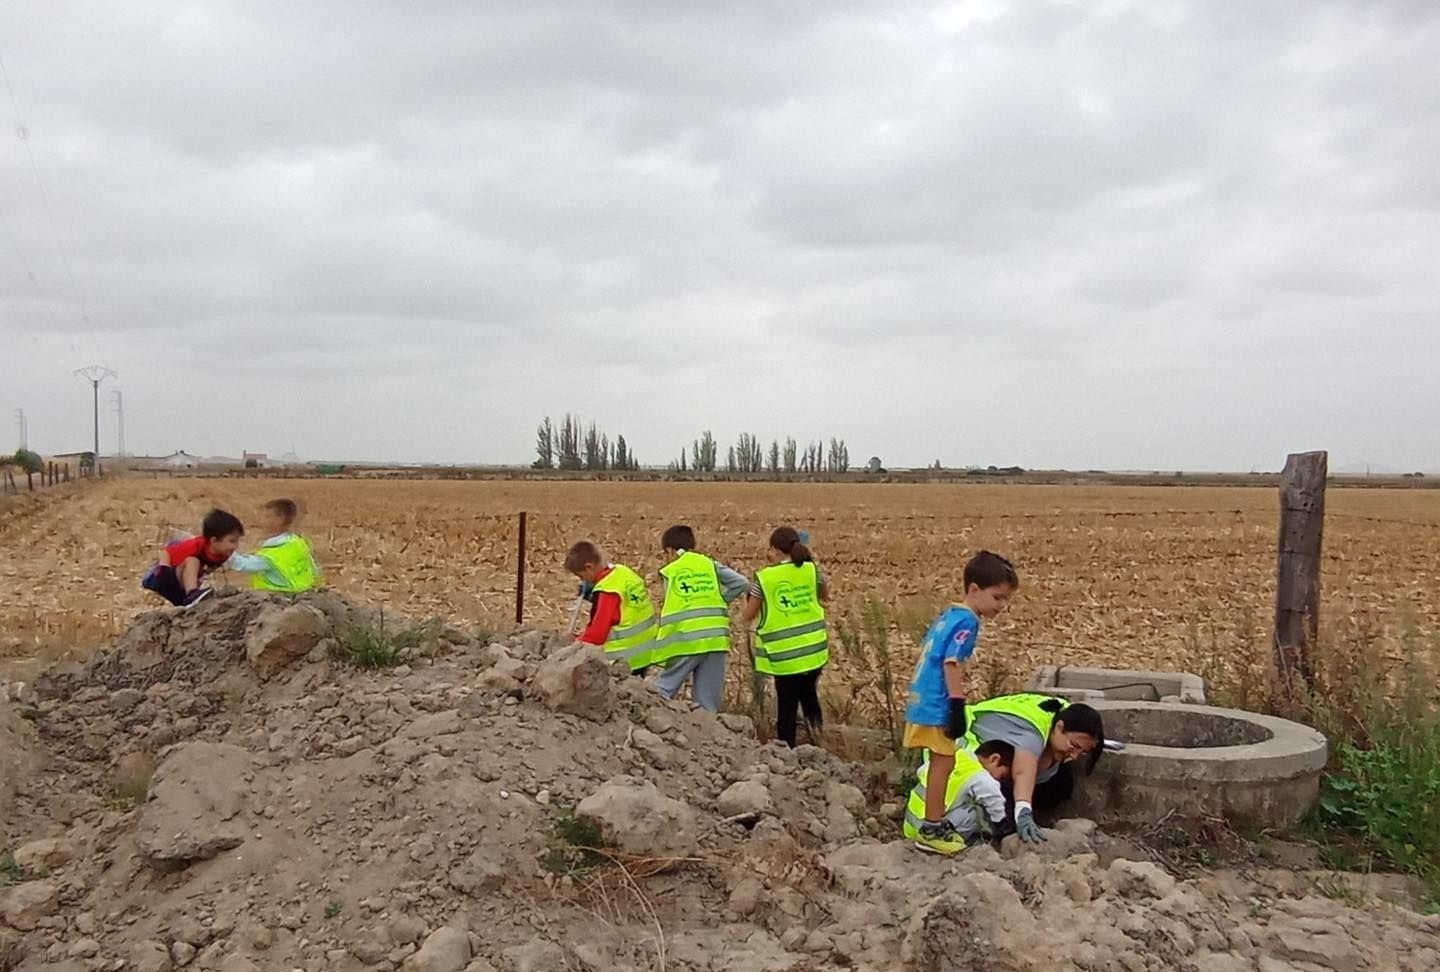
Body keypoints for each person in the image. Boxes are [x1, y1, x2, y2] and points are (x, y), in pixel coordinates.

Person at [902, 550, 1019, 853]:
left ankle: (932, 821)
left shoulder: (950, 614)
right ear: (974, 590)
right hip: (937, 702)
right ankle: (932, 827)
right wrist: (956, 705)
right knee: (944, 761)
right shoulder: (968, 622)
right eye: (997, 597)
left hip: (922, 697)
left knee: (942, 760)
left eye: (1006, 599)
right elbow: (951, 663)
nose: (1001, 606)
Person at [963, 692, 1105, 842]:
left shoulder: (1066, 713)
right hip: (970, 748)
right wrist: (1023, 811)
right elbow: (1023, 772)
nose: (1075, 756)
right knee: (1005, 822)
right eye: (1074, 746)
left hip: (1004, 745)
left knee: (1062, 783)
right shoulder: (1032, 732)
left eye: (1082, 751)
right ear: (1059, 727)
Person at [742, 526, 829, 747]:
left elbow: (748, 615)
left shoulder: (765, 578)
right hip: (814, 650)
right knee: (809, 696)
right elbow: (824, 596)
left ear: (774, 549)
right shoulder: (812, 569)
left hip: (785, 656)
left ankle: (786, 752)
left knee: (787, 706)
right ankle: (818, 739)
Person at [651, 525, 749, 712]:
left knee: (663, 689)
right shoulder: (709, 564)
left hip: (685, 638)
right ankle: (707, 739)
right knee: (707, 704)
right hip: (716, 638)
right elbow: (741, 583)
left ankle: (647, 722)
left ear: (670, 550)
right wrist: (720, 601)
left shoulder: (671, 570)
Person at [902, 739, 1014, 854]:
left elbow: (921, 771)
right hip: (931, 831)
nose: (999, 780)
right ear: (994, 759)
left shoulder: (957, 757)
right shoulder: (978, 775)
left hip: (911, 826)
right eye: (1002, 775)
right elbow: (994, 800)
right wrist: (1003, 827)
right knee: (975, 810)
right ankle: (951, 838)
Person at [565, 540, 657, 672]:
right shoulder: (623, 573)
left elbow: (597, 635)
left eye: (581, 576)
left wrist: (576, 644)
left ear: (589, 567)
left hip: (625, 659)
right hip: (646, 651)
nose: (582, 580)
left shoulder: (608, 591)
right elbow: (623, 609)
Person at [140, 508, 244, 608]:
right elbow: (166, 553)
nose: (235, 546)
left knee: (196, 570)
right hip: (160, 578)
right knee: (192, 561)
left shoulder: (223, 553)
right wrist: (163, 570)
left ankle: (191, 598)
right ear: (214, 541)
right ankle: (192, 595)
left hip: (178, 589)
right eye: (232, 541)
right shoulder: (195, 546)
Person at [223, 498, 321, 593]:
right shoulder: (297, 542)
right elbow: (314, 569)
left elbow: (244, 565)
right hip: (303, 594)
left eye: (267, 517)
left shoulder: (273, 554)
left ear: (280, 520)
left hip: (279, 598)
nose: (262, 521)